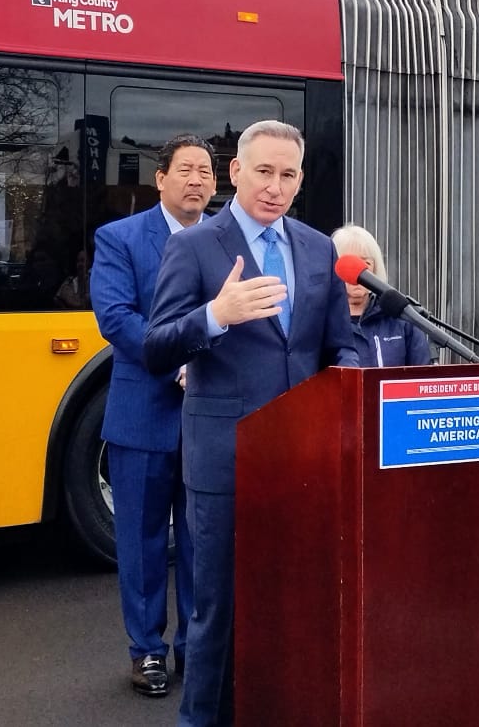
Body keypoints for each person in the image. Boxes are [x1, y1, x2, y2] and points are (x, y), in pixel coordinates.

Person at [144, 120, 358, 727]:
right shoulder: (194, 246)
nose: (274, 187)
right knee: (219, 607)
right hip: (224, 459)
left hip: (302, 456)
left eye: (288, 175)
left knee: (293, 600)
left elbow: (339, 345)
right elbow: (156, 347)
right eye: (263, 172)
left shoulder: (317, 249)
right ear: (236, 172)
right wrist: (215, 314)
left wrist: (344, 382)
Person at [91, 135, 216, 698]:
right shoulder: (119, 238)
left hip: (209, 417)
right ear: (160, 178)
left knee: (200, 541)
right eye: (185, 170)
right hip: (143, 414)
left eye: (206, 172)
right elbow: (116, 318)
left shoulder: (227, 239)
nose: (197, 180)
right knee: (142, 542)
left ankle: (196, 647)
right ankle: (146, 651)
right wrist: (179, 362)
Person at [330, 224, 432, 367]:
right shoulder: (324, 322)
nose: (358, 273)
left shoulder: (400, 318)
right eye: (350, 265)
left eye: (365, 264)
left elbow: (422, 373)